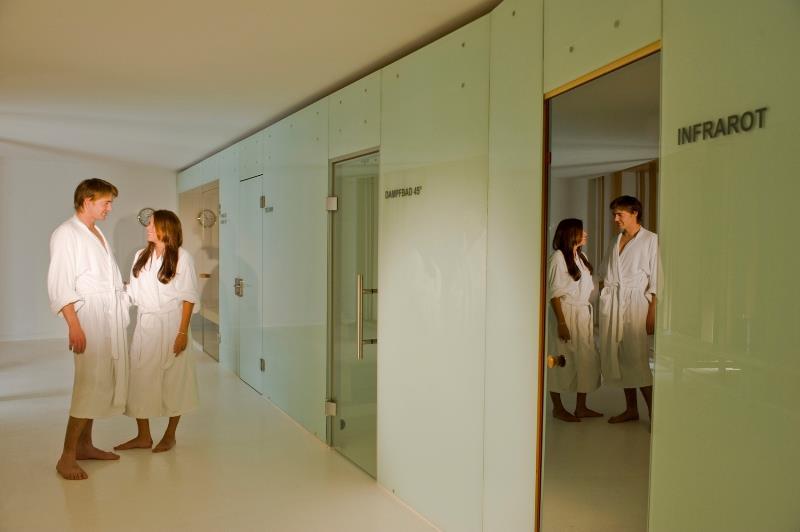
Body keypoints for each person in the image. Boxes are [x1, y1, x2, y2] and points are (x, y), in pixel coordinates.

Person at [48, 178, 129, 480]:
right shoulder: (66, 234)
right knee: (88, 385)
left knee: (99, 382)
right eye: (106, 202)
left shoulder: (95, 232)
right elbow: (60, 284)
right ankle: (66, 456)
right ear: (87, 201)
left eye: (111, 203)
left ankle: (85, 445)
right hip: (90, 319)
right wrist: (74, 325)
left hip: (107, 316)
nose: (110, 208)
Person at [115, 210, 199, 453]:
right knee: (140, 380)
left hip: (173, 325)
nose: (147, 228)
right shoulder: (140, 256)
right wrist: (112, 292)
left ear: (166, 228)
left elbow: (189, 297)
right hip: (146, 325)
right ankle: (143, 436)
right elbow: (133, 293)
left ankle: (170, 435)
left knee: (175, 380)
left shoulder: (183, 258)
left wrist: (182, 333)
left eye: (152, 224)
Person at [598, 195, 658, 424]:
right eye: (614, 214)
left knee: (637, 360)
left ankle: (655, 415)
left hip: (636, 305)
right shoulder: (615, 241)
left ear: (634, 213)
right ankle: (631, 409)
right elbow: (604, 272)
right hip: (614, 303)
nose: (615, 219)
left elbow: (657, 280)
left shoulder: (650, 240)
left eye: (619, 214)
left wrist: (652, 313)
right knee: (620, 358)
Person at [547, 218, 602, 422]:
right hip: (565, 313)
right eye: (581, 230)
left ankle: (581, 407)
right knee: (562, 359)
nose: (585, 233)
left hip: (582, 314)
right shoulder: (558, 258)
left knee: (586, 360)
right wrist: (562, 323)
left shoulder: (581, 256)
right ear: (570, 234)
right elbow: (554, 294)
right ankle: (558, 408)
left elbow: (588, 287)